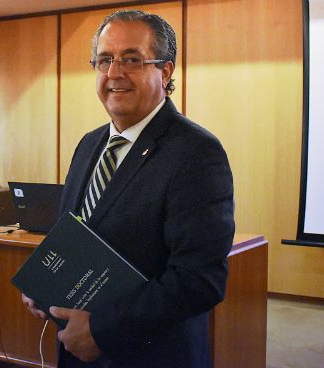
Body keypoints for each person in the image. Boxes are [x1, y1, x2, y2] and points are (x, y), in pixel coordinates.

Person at [22, 9, 235, 368]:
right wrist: (45, 282)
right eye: (104, 60)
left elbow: (199, 280)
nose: (114, 73)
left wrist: (102, 331)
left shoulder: (197, 152)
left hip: (149, 354)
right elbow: (76, 233)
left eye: (131, 60)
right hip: (75, 349)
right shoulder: (90, 144)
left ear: (165, 71)